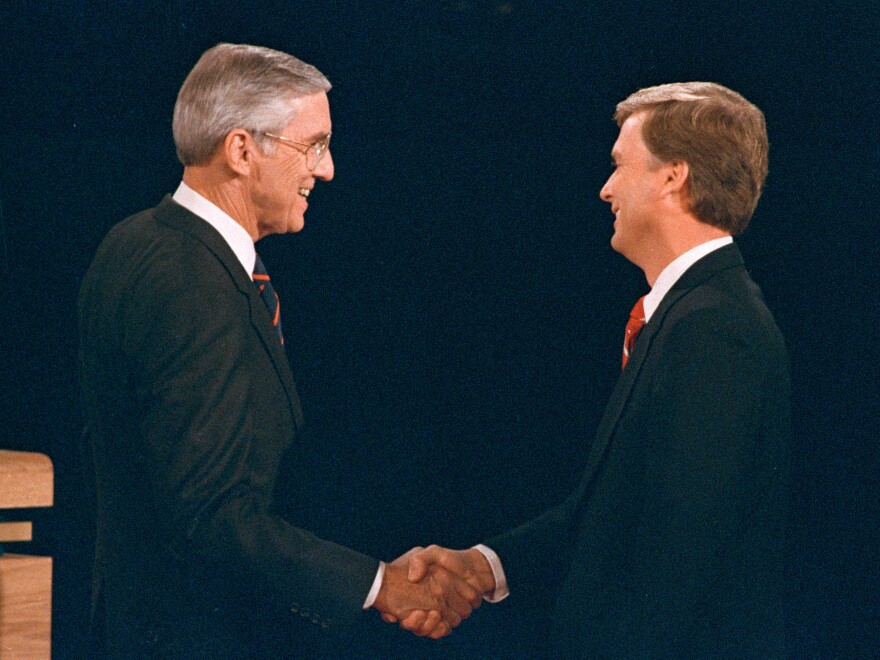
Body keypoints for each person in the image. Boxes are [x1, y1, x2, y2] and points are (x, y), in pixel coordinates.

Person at [77, 43, 477, 658]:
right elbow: (211, 514)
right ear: (241, 150)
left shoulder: (137, 242)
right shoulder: (192, 281)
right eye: (312, 145)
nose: (328, 168)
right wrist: (378, 586)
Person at [405, 82, 791, 657]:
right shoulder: (688, 316)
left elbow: (677, 561)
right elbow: (614, 515)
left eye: (618, 165)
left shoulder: (716, 329)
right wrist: (482, 568)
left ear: (671, 176)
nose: (606, 188)